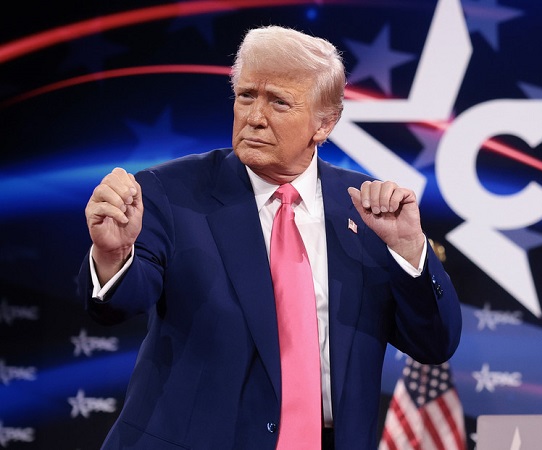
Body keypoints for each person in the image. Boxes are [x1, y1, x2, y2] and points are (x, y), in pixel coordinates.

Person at [78, 25, 462, 450]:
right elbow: (119, 304)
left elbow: (434, 344)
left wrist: (408, 248)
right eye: (246, 96)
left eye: (279, 102)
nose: (255, 117)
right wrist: (113, 254)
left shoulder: (367, 211)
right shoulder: (170, 192)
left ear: (325, 124)